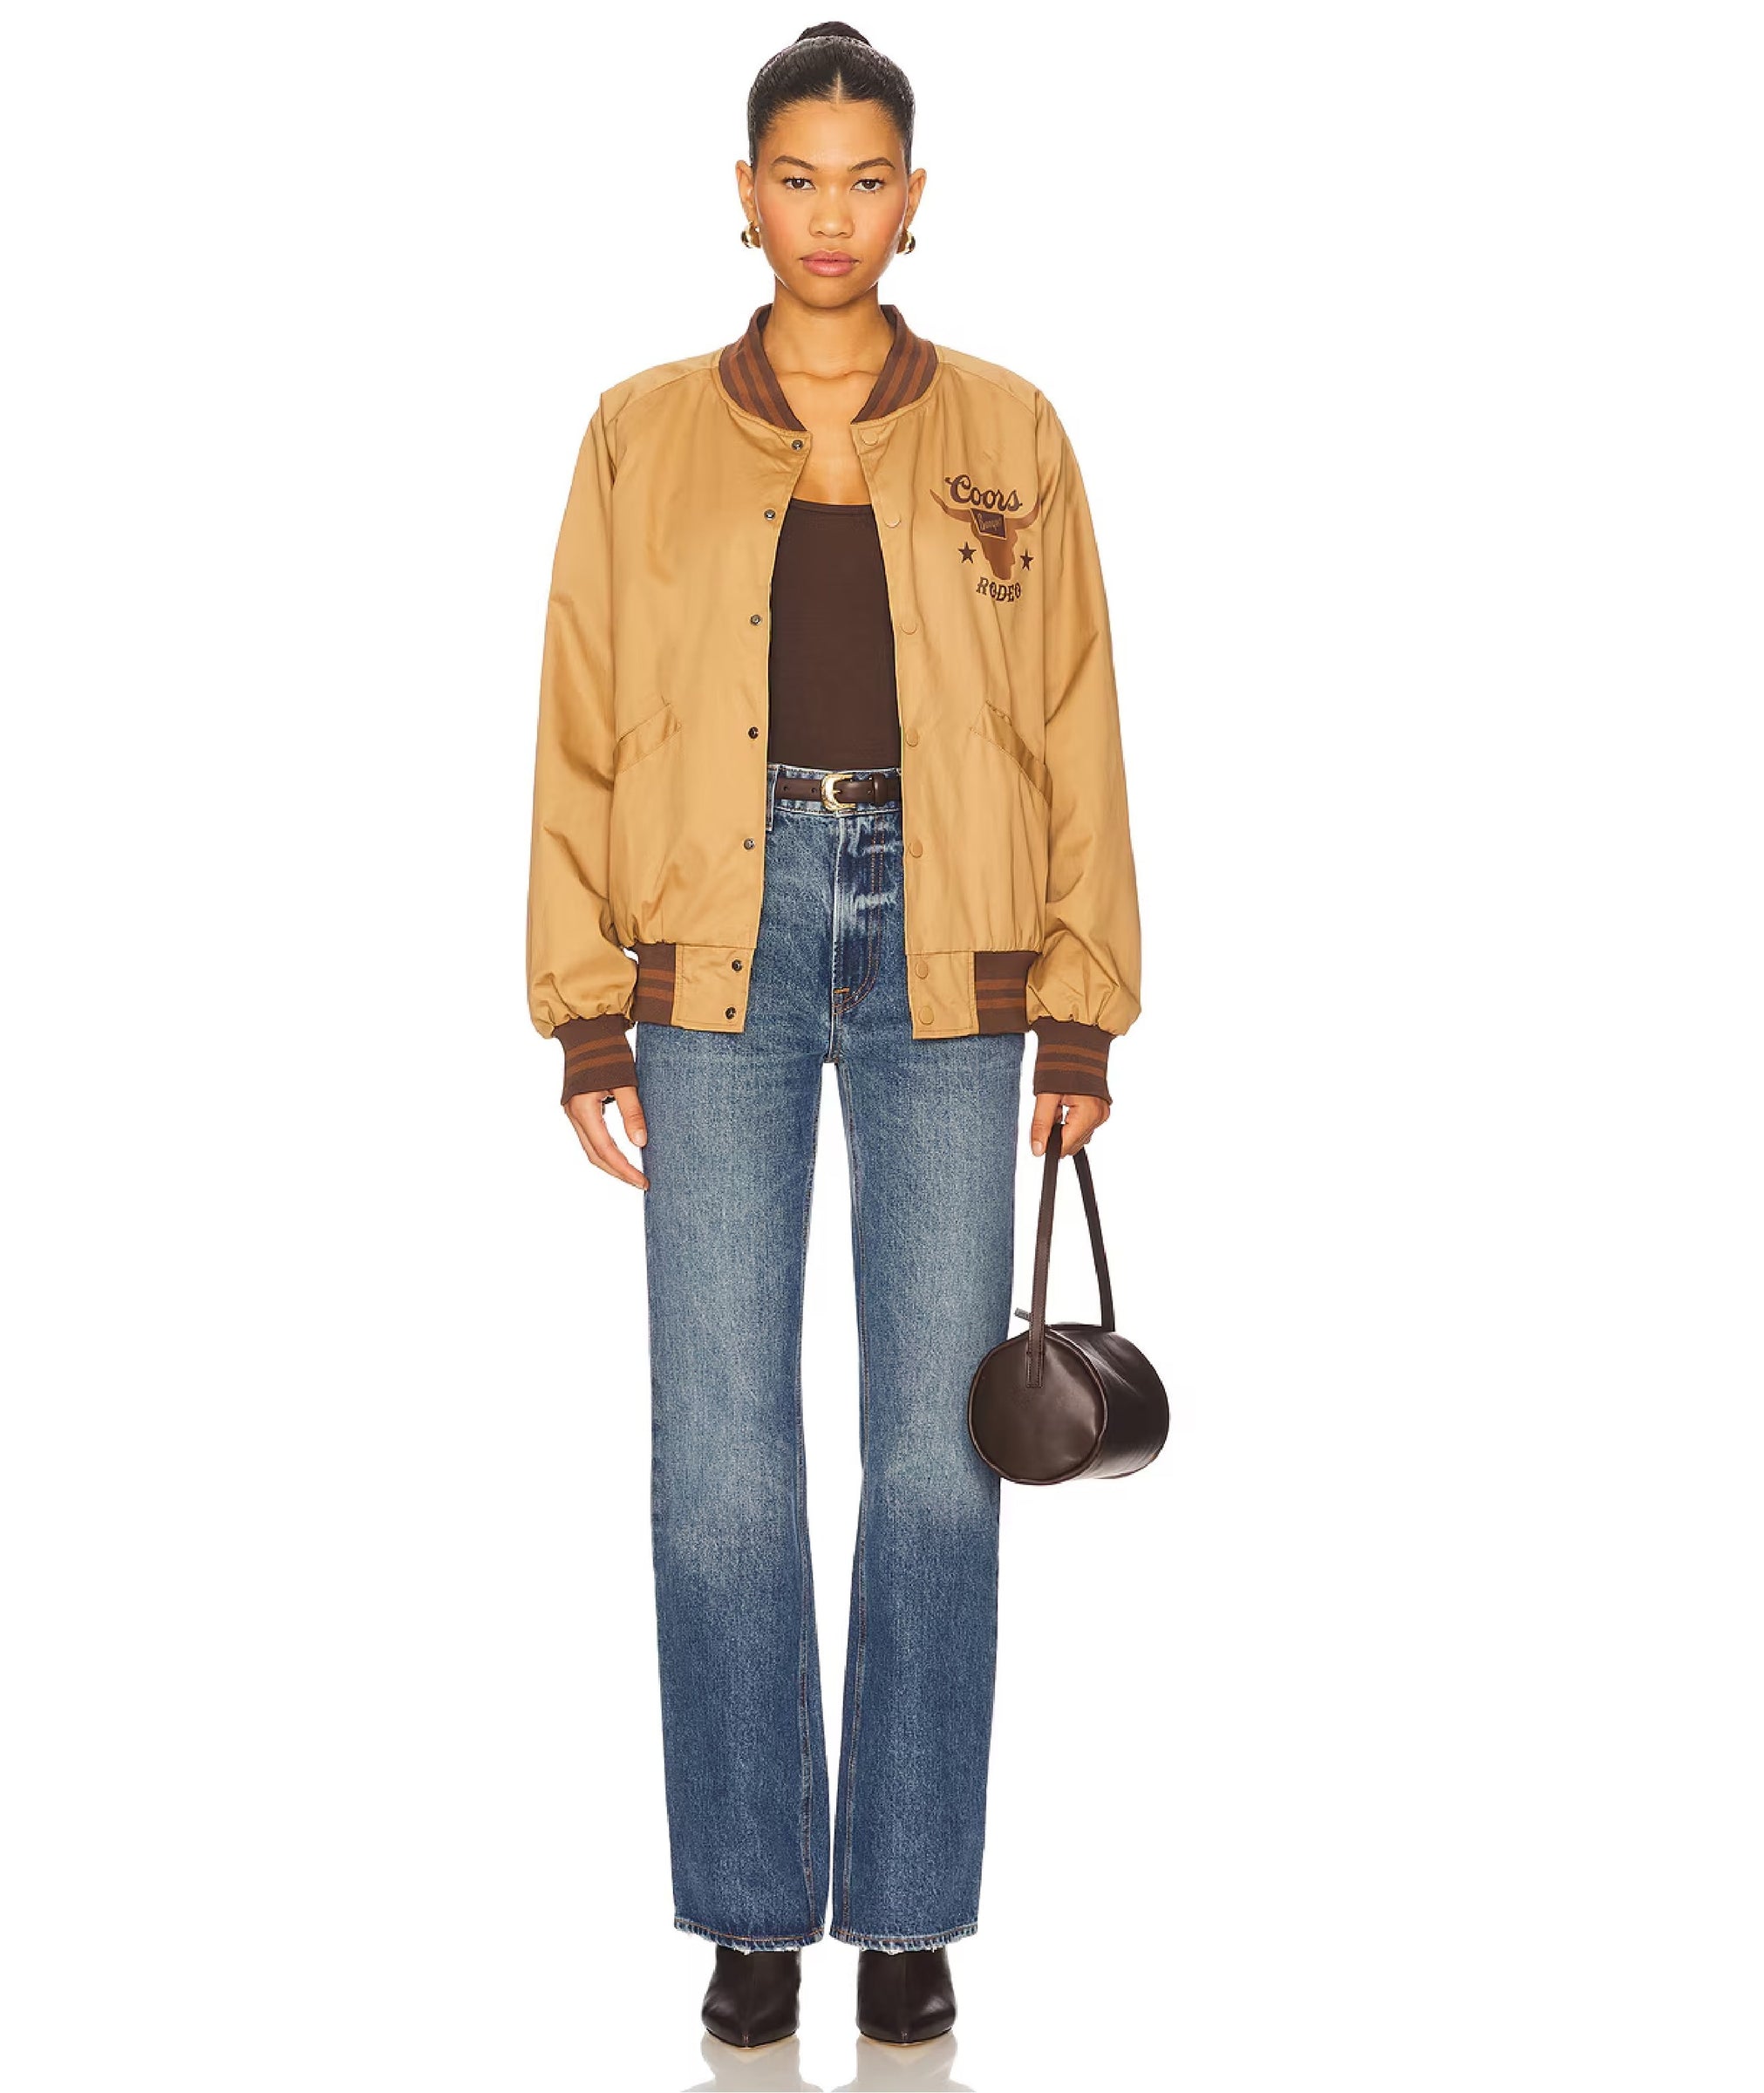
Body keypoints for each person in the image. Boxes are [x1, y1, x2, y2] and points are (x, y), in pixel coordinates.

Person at [523, 20, 1144, 2053]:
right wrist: (584, 1013)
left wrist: (1081, 1008)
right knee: (719, 1458)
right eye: (796, 177)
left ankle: (907, 1912)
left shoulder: (1013, 430)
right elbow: (580, 711)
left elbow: (1074, 720)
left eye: (867, 179)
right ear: (743, 193)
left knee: (936, 1462)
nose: (830, 215)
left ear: (915, 199)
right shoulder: (636, 434)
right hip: (713, 947)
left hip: (954, 949)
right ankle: (748, 1910)